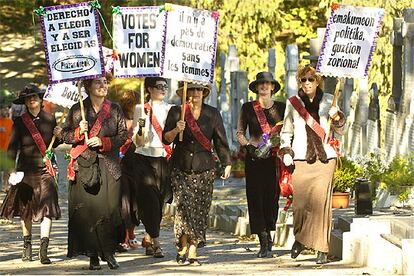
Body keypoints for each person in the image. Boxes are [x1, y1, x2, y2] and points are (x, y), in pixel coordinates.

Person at [279, 65, 345, 264]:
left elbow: (340, 131)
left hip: (325, 160)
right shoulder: (293, 103)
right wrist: (286, 151)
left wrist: (338, 117)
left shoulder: (329, 101)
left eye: (310, 79)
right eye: (303, 80)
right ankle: (300, 238)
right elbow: (286, 131)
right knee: (300, 205)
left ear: (318, 81)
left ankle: (321, 249)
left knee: (321, 205)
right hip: (300, 158)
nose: (307, 83)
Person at [61, 74, 127, 270]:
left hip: (110, 165)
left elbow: (123, 135)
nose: (103, 85)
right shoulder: (77, 109)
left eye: (105, 82)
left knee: (111, 209)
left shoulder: (115, 108)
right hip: (86, 166)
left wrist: (104, 142)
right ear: (88, 86)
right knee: (90, 212)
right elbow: (65, 135)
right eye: (98, 82)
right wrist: (78, 133)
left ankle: (109, 251)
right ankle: (93, 255)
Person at [163, 81, 232, 265]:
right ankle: (182, 246)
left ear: (204, 92)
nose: (195, 93)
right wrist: (177, 129)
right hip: (181, 167)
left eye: (199, 89)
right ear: (185, 92)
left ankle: (193, 250)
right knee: (184, 208)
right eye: (192, 89)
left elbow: (220, 140)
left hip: (205, 168)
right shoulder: (176, 112)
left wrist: (226, 162)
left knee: (200, 210)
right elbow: (166, 138)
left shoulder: (212, 113)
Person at [0, 84, 62, 264]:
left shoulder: (50, 119)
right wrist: (8, 173)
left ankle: (44, 251)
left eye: (34, 96)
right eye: (28, 98)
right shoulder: (19, 122)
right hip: (25, 170)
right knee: (26, 210)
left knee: (47, 208)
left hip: (45, 169)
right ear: (25, 102)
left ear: (41, 99)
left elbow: (55, 144)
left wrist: (58, 136)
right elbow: (12, 149)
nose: (32, 99)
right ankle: (27, 246)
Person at [236, 72, 285, 258]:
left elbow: (288, 130)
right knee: (255, 198)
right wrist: (248, 145)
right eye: (261, 84)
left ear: (273, 87)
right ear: (256, 87)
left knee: (272, 198)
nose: (264, 86)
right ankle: (262, 238)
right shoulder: (248, 108)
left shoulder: (282, 107)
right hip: (255, 158)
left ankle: (270, 232)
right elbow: (240, 132)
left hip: (274, 158)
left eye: (267, 83)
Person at [132, 77, 173, 258]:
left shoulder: (171, 109)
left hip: (164, 158)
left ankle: (148, 236)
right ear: (149, 89)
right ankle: (157, 244)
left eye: (165, 86)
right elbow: (138, 141)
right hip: (144, 158)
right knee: (150, 200)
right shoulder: (141, 109)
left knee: (161, 201)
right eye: (159, 86)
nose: (163, 89)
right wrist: (140, 128)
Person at [118, 90, 140, 252]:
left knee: (135, 202)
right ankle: (125, 237)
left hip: (138, 164)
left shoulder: (141, 120)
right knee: (124, 202)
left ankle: (132, 234)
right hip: (121, 165)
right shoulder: (119, 120)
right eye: (131, 104)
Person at [0, 103, 13, 193]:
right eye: (3, 109)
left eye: (6, 109)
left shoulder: (11, 122)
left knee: (7, 169)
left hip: (8, 149)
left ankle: (6, 185)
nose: (5, 111)